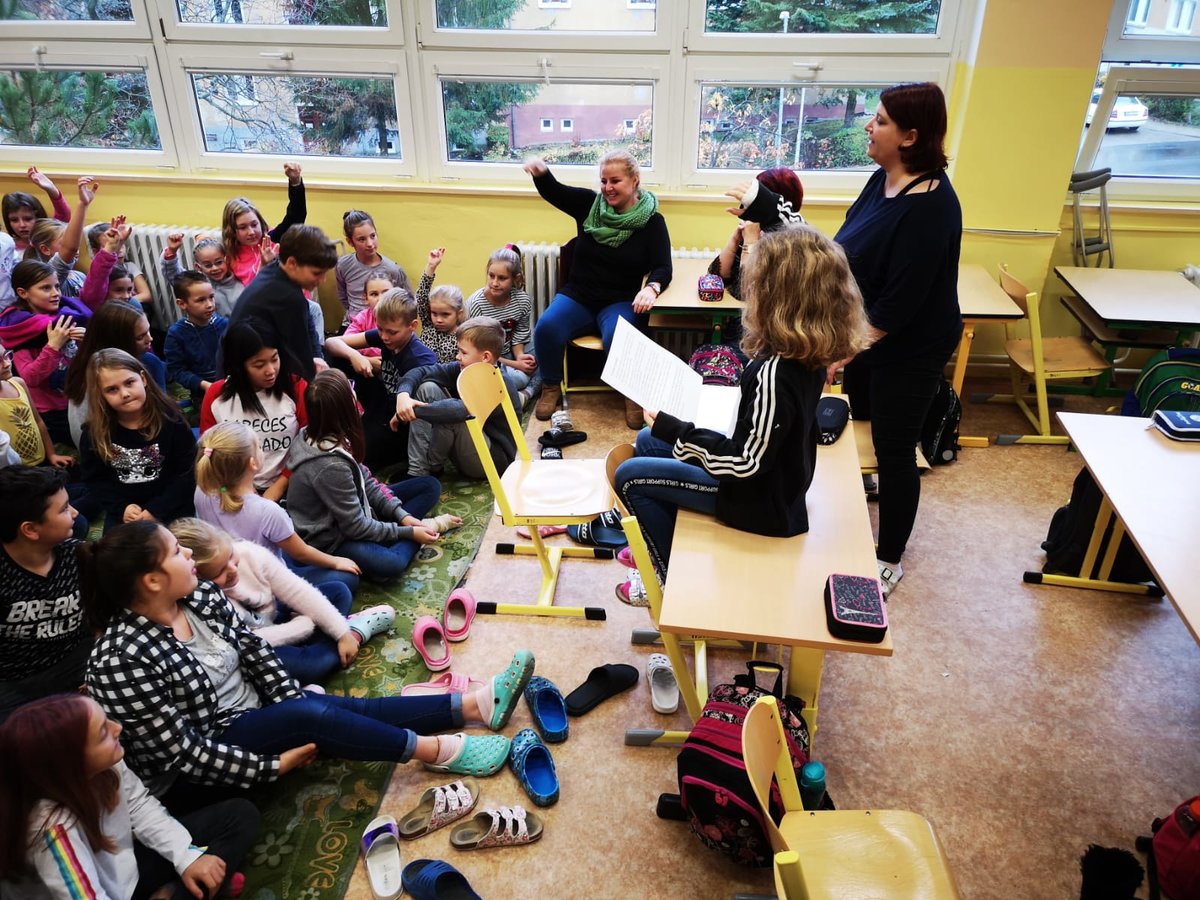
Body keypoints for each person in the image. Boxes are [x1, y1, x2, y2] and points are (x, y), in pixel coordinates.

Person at [83, 520, 532, 810]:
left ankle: (472, 706)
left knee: (333, 709)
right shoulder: (121, 659)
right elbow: (185, 755)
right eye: (176, 552)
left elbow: (255, 652)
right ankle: (437, 752)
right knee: (310, 714)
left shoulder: (198, 596)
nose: (187, 555)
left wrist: (289, 702)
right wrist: (272, 767)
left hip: (254, 714)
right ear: (153, 581)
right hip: (209, 759)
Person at [614, 225, 869, 594]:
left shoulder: (775, 372)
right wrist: (679, 431)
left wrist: (679, 430)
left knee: (630, 476)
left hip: (759, 503)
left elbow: (745, 463)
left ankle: (669, 582)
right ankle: (670, 538)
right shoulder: (806, 352)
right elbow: (761, 433)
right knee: (647, 439)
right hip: (776, 485)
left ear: (777, 297)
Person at [832, 81, 963, 598]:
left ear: (910, 136)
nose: (869, 125)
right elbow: (848, 247)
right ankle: (862, 488)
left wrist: (840, 353)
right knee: (859, 420)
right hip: (870, 328)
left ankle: (889, 560)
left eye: (881, 120)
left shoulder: (931, 208)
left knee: (894, 448)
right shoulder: (880, 180)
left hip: (912, 345)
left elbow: (898, 306)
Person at [0, 694, 259, 900]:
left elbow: (140, 806)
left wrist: (187, 857)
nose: (117, 728)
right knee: (211, 868)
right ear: (71, 764)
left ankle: (185, 888)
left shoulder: (108, 764)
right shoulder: (51, 829)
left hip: (126, 868)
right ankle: (196, 888)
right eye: (103, 732)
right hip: (105, 891)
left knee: (240, 815)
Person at [523, 151, 672, 427]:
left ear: (634, 180)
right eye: (604, 181)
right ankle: (551, 386)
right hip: (579, 296)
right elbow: (555, 191)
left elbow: (663, 266)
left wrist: (652, 288)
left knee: (619, 335)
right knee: (546, 327)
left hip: (620, 300)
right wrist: (540, 172)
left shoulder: (652, 222)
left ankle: (631, 393)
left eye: (615, 181)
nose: (608, 188)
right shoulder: (589, 206)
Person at [170, 518, 392, 687]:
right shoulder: (202, 598)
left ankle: (344, 633)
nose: (232, 570)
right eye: (219, 572)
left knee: (338, 590)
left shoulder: (249, 553)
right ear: (196, 576)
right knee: (314, 666)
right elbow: (248, 642)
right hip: (257, 646)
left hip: (274, 619)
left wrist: (341, 633)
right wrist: (303, 626)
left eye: (230, 557)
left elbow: (298, 591)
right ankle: (354, 632)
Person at [286, 370, 454, 582]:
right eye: (351, 390)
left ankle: (396, 533)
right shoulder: (329, 465)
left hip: (355, 510)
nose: (355, 393)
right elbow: (355, 527)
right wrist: (409, 533)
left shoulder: (321, 430)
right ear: (344, 409)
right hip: (333, 538)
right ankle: (417, 532)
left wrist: (403, 516)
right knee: (391, 564)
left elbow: (365, 480)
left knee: (429, 486)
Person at [193, 421, 360, 590]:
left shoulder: (202, 492)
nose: (262, 450)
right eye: (259, 447)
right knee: (347, 578)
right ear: (252, 463)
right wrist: (335, 562)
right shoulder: (268, 511)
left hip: (233, 573)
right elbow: (301, 552)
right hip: (268, 584)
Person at [0, 468, 91, 722]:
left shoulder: (80, 555)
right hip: (14, 680)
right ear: (30, 529)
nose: (74, 513)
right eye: (64, 509)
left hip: (77, 660)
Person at [78, 349, 196, 533]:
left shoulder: (172, 421)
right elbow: (95, 481)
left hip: (172, 508)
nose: (125, 393)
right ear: (100, 394)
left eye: (129, 382)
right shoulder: (94, 433)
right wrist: (122, 508)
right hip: (125, 514)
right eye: (112, 389)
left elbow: (188, 473)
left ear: (143, 379)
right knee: (116, 550)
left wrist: (156, 509)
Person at [323, 288, 436, 472]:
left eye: (392, 332)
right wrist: (357, 356)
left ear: (412, 326)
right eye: (380, 329)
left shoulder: (421, 358)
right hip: (384, 400)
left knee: (358, 456)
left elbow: (429, 409)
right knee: (338, 357)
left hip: (402, 422)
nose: (384, 337)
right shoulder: (384, 336)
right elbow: (331, 342)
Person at [395, 316, 520, 481]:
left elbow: (458, 411)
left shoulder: (498, 383)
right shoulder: (465, 368)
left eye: (464, 352)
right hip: (474, 444)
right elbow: (422, 371)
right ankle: (418, 470)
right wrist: (403, 395)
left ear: (485, 357)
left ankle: (432, 467)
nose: (457, 356)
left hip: (494, 461)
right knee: (427, 388)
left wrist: (411, 412)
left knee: (453, 415)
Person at [201, 322, 308, 502]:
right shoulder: (217, 395)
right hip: (235, 490)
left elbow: (309, 442)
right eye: (259, 365)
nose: (270, 371)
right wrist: (239, 488)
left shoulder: (295, 388)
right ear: (239, 367)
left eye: (274, 359)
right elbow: (209, 450)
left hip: (291, 486)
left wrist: (281, 484)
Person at [225, 223, 333, 382]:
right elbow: (300, 356)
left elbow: (307, 319)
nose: (322, 280)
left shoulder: (279, 271)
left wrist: (317, 355)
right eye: (317, 273)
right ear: (292, 263)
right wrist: (315, 385)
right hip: (245, 374)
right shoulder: (285, 296)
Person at [0, 262, 89, 446]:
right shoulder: (20, 329)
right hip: (52, 412)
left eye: (57, 286)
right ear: (23, 293)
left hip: (79, 399)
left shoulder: (68, 315)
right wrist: (53, 346)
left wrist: (88, 341)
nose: (56, 293)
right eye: (46, 288)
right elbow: (30, 378)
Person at [65, 300, 168, 449]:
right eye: (140, 337)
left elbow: (164, 414)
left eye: (148, 331)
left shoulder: (85, 362)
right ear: (118, 341)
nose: (150, 339)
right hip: (109, 447)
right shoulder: (94, 377)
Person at [711, 167, 806, 301]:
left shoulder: (794, 240)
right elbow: (717, 277)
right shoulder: (757, 227)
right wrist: (734, 241)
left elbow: (745, 292)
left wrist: (750, 242)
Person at [467, 245, 539, 400]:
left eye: (502, 278)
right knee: (519, 379)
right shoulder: (476, 304)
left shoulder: (523, 300)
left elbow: (520, 333)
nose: (494, 283)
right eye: (491, 276)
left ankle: (525, 394)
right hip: (488, 357)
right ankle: (527, 389)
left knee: (546, 351)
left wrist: (520, 356)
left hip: (511, 349)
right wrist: (516, 365)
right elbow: (479, 351)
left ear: (515, 279)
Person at [221, 162, 306, 288]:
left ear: (260, 222)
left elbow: (296, 216)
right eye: (242, 227)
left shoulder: (273, 238)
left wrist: (295, 182)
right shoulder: (230, 256)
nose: (251, 232)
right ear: (232, 230)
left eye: (254, 224)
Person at [0, 338, 73, 469]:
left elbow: (38, 421)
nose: (6, 363)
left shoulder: (19, 383)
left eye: (6, 356)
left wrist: (51, 454)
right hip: (16, 470)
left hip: (42, 458)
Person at [21, 177, 99, 300]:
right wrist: (83, 204)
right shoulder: (49, 274)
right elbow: (70, 248)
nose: (75, 247)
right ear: (45, 249)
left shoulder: (79, 276)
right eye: (64, 243)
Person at [164, 268, 228, 402]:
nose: (209, 305)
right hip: (202, 393)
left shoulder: (224, 324)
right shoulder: (176, 334)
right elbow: (177, 370)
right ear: (182, 304)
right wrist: (204, 385)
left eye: (211, 297)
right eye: (201, 300)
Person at [334, 209, 409, 321]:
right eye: (362, 239)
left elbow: (405, 301)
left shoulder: (393, 270)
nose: (369, 244)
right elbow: (342, 296)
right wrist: (356, 317)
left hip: (383, 323)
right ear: (350, 242)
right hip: (353, 323)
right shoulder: (343, 265)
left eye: (373, 236)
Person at [160, 233, 243, 318]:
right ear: (198, 267)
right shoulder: (196, 285)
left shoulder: (242, 279)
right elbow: (174, 274)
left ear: (227, 260)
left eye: (219, 262)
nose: (214, 268)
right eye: (208, 265)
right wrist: (171, 251)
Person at [3, 166, 72, 263]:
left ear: (38, 217)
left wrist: (51, 189)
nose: (22, 225)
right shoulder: (6, 245)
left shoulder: (49, 239)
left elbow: (63, 216)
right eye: (14, 220)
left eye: (28, 219)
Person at [86, 221, 153, 309]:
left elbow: (146, 295)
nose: (119, 249)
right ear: (96, 251)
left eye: (120, 244)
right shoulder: (98, 274)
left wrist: (127, 298)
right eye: (109, 245)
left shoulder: (129, 266)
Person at [412, 247, 463, 363]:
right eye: (434, 313)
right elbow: (421, 297)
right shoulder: (429, 325)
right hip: (421, 371)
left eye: (445, 314)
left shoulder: (462, 336)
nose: (438, 320)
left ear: (458, 313)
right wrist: (431, 266)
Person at [341, 272, 395, 360]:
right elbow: (345, 342)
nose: (380, 298)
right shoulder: (363, 318)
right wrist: (367, 359)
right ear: (366, 298)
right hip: (366, 364)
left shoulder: (402, 316)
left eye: (386, 293)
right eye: (374, 294)